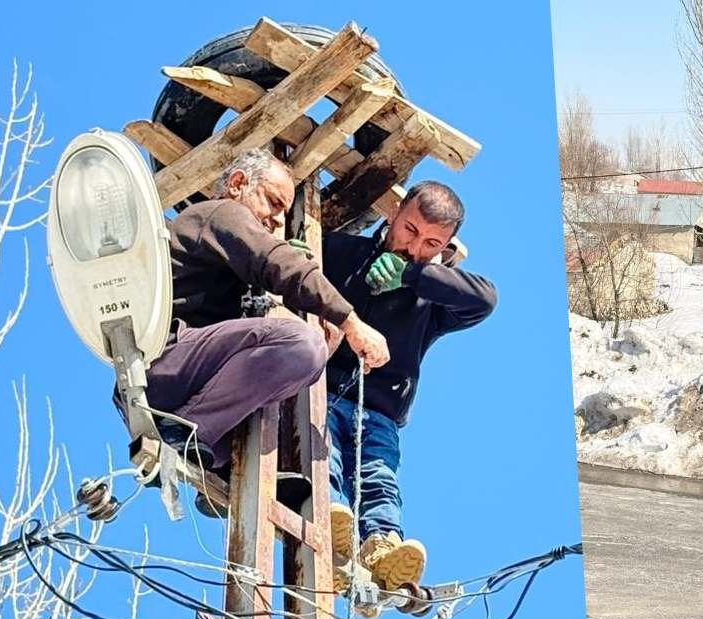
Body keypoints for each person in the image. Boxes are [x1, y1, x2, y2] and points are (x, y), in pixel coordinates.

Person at [133, 148, 390, 491]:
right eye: (272, 202)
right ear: (238, 183)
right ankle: (187, 431)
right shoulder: (220, 213)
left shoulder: (229, 271)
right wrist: (350, 322)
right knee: (301, 343)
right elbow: (277, 263)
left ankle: (239, 469)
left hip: (182, 380)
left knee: (295, 360)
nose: (278, 221)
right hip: (167, 364)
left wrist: (324, 350)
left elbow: (260, 366)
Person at [322, 181, 498, 591]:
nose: (414, 246)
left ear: (446, 247)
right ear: (394, 214)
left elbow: (485, 300)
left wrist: (415, 276)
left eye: (432, 242)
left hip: (380, 411)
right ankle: (330, 525)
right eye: (410, 230)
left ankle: (381, 548)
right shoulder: (341, 252)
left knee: (378, 475)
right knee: (321, 454)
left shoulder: (431, 294)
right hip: (321, 393)